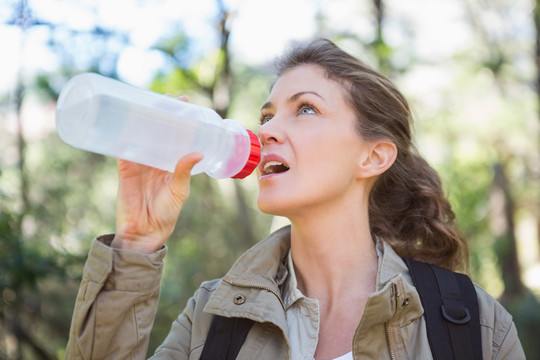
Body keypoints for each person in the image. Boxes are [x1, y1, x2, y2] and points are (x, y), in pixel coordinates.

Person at [65, 39, 524, 360]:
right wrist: (137, 244)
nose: (265, 131)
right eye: (266, 115)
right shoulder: (213, 318)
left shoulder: (473, 326)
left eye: (306, 109)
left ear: (373, 156)